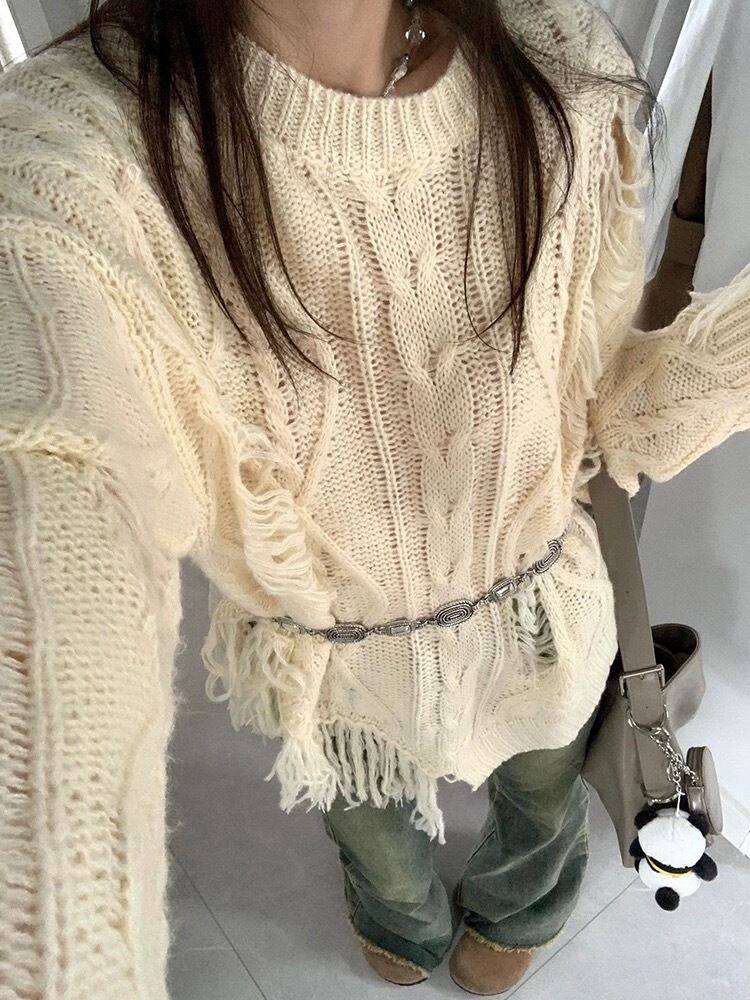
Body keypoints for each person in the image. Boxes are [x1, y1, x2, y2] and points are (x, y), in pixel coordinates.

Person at [1, 0, 749, 997]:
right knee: (377, 846)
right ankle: (400, 917)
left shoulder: (559, 58)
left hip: (544, 624)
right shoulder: (79, 156)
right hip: (331, 675)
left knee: (543, 808)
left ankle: (526, 905)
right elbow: (52, 478)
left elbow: (601, 410)